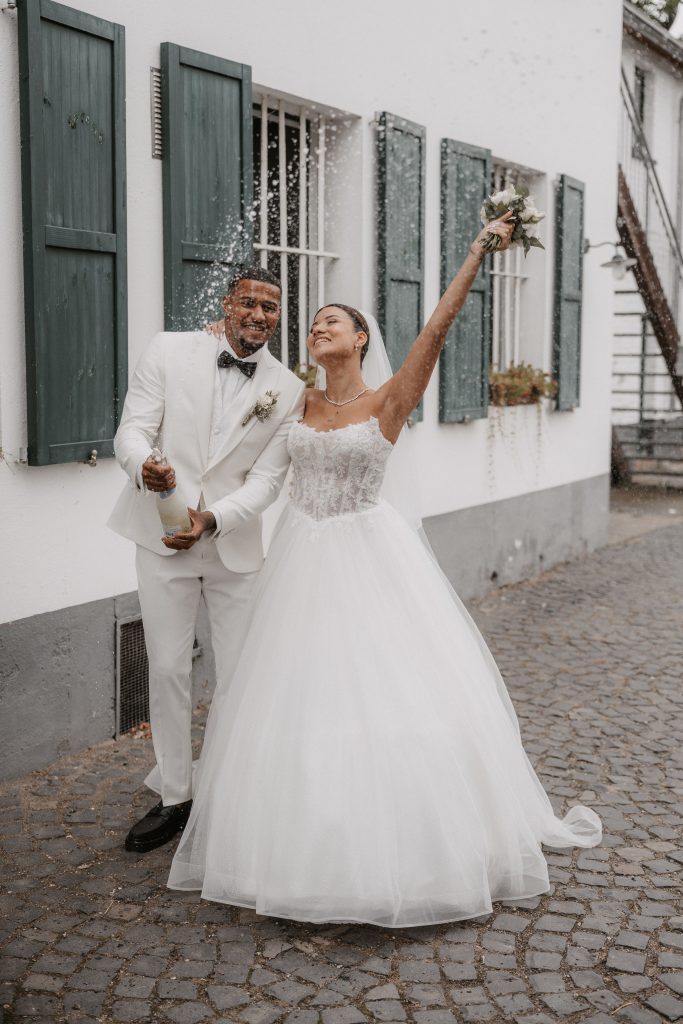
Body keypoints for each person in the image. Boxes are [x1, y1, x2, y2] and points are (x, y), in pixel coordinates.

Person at [167, 215, 602, 928]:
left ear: (361, 337)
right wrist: (206, 514)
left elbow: (434, 331)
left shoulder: (389, 400)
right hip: (299, 564)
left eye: (331, 320)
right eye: (310, 322)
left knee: (389, 696)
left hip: (368, 558)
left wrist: (473, 254)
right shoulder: (291, 402)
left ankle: (406, 848)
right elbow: (251, 461)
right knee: (292, 702)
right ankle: (291, 847)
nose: (317, 328)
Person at [108, 267, 305, 853]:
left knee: (239, 673)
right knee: (167, 669)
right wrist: (146, 466)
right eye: (249, 302)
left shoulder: (289, 388)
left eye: (271, 307)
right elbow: (132, 431)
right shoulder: (168, 351)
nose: (260, 315)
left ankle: (229, 787)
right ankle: (175, 796)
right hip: (161, 537)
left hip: (232, 546)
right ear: (227, 303)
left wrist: (214, 518)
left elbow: (269, 480)